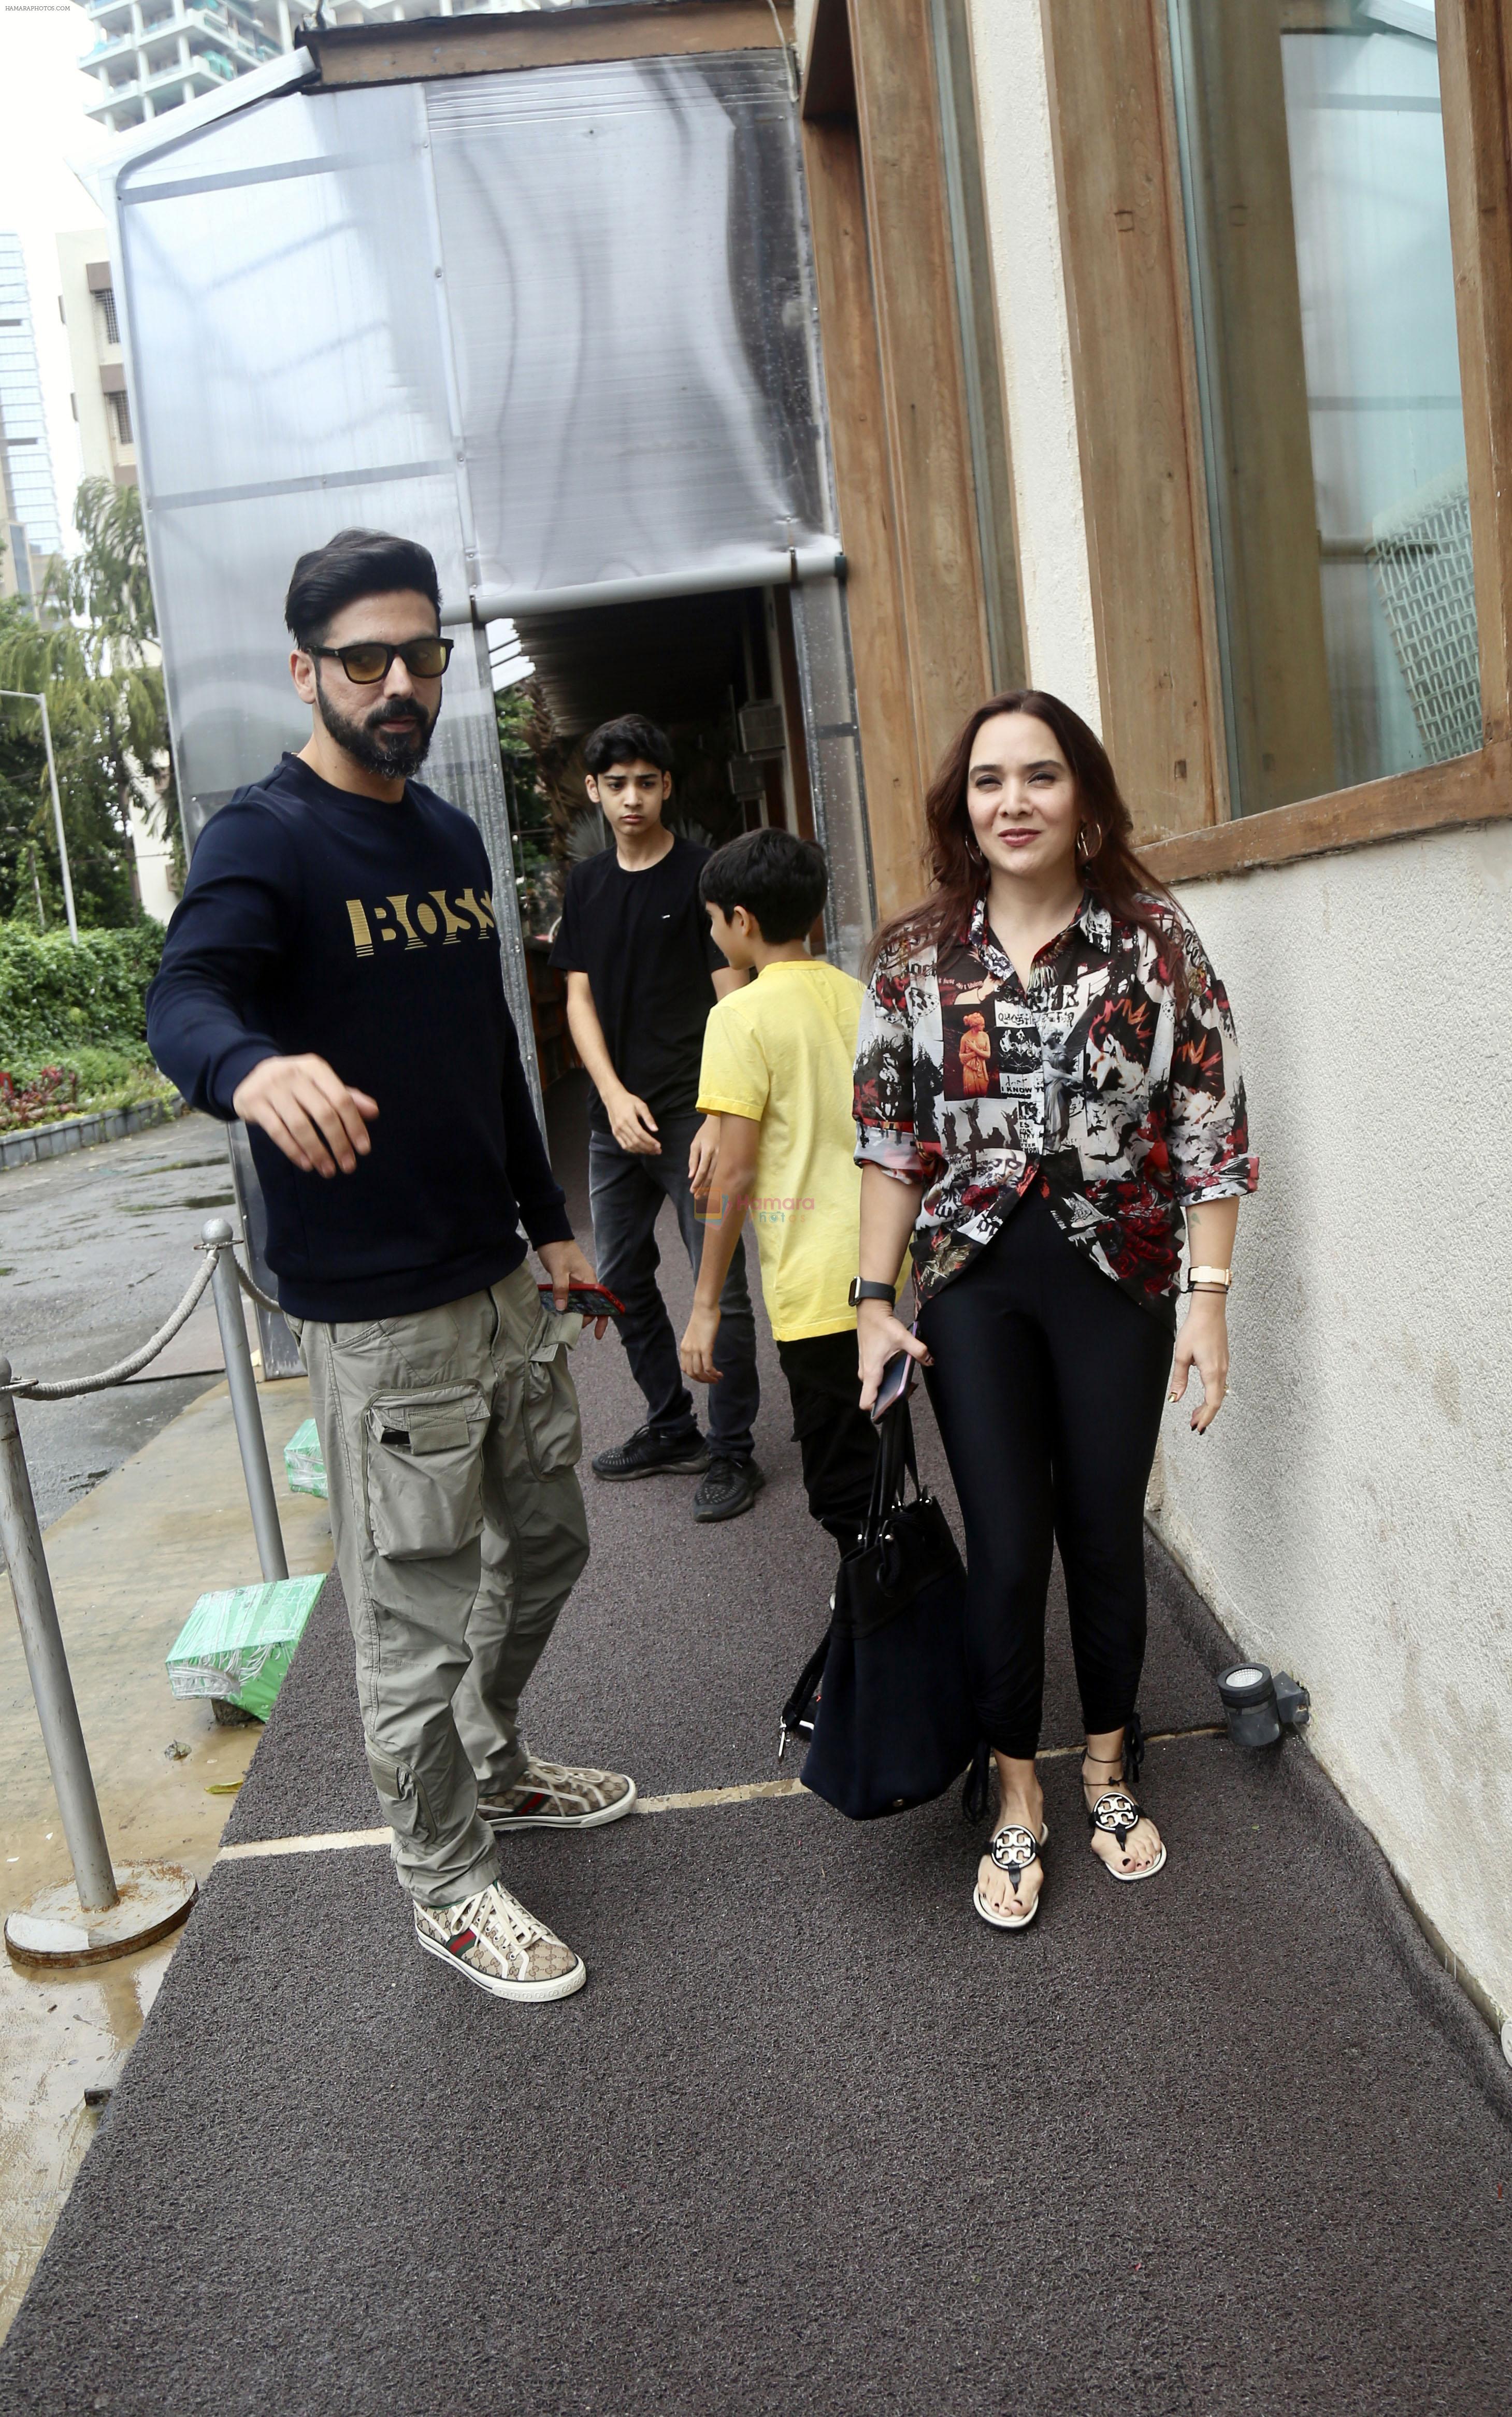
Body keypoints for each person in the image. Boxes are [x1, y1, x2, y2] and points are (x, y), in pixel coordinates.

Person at [146, 526, 634, 2006]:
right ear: (306, 671)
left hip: (495, 1274)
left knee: (549, 1545)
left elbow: (487, 1042)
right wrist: (248, 1067)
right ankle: (444, 1880)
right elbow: (187, 992)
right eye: (367, 659)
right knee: (411, 1621)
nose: (402, 681)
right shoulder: (264, 837)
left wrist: (547, 1219)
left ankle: (490, 1764)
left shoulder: (443, 835)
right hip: (378, 1320)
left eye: (424, 654)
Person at [851, 689, 1257, 1931]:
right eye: (987, 780)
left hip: (1118, 1278)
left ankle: (1106, 1763)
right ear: (959, 806)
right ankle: (1015, 1787)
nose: (1011, 800)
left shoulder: (1154, 946)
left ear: (1081, 799)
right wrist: (871, 1299)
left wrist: (1206, 1300)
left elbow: (1211, 1131)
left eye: (1038, 776)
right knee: (1007, 1538)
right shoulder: (915, 958)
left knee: (1101, 1530)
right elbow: (887, 1143)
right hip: (972, 1284)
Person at [551, 714, 764, 1522]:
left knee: (725, 1288)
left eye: (646, 782)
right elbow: (577, 1000)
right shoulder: (586, 884)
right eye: (616, 785)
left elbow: (734, 1002)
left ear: (666, 787)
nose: (631, 798)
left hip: (691, 1113)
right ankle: (671, 1424)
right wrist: (608, 1095)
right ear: (595, 792)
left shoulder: (705, 877)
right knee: (622, 1279)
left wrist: (717, 1113)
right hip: (617, 1115)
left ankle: (733, 1449)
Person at [678, 826, 884, 1558]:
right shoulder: (859, 995)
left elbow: (731, 1173)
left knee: (842, 1492)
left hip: (815, 1283)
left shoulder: (738, 1014)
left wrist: (704, 1305)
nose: (713, 932)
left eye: (712, 919)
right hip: (883, 1269)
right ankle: (887, 1642)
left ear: (743, 921)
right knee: (882, 1469)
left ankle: (893, 1647)